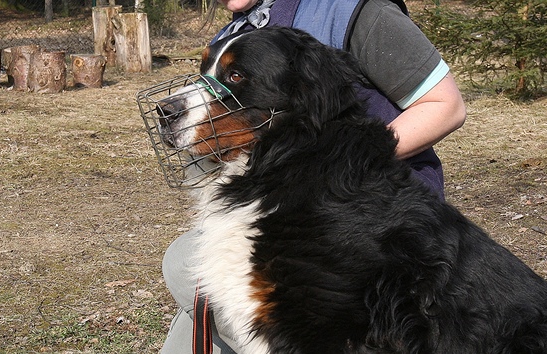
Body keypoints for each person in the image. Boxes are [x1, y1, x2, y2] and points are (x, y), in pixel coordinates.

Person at [160, 0, 467, 352]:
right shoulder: (239, 29)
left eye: (231, 77)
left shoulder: (354, 11)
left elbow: (447, 106)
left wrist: (343, 160)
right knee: (194, 277)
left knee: (189, 267)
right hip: (283, 199)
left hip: (374, 217)